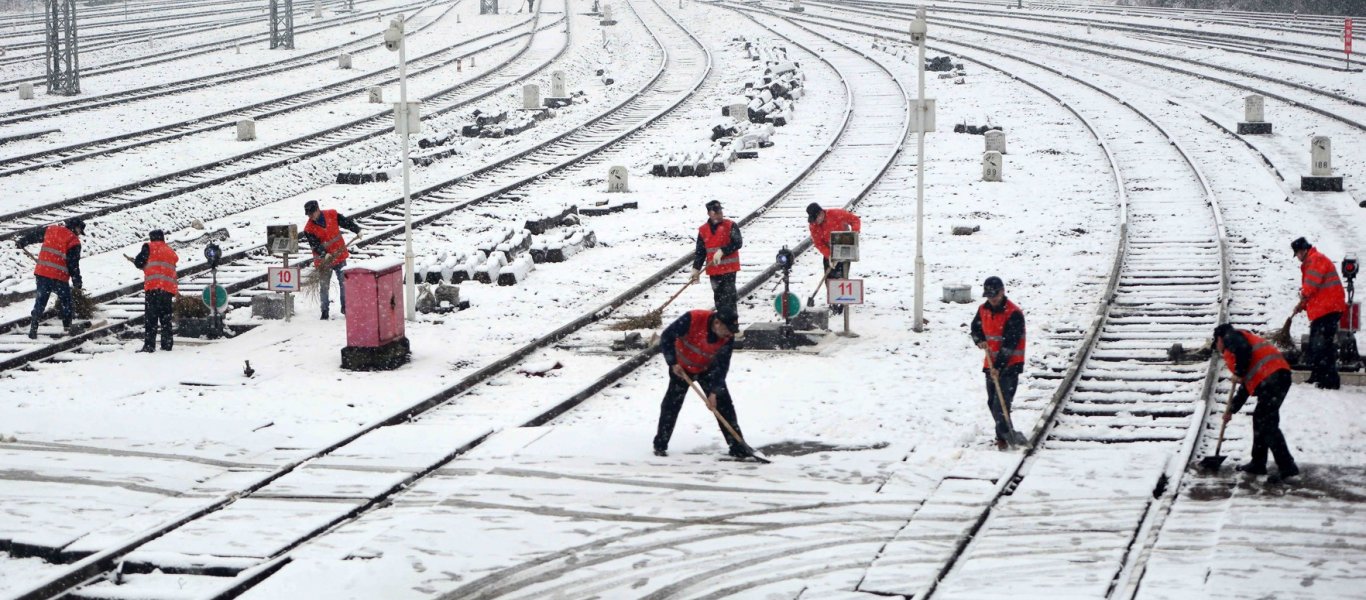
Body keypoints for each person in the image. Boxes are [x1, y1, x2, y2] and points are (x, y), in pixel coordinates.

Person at [653, 308, 745, 458]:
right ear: (717, 323)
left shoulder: (728, 336)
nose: (729, 335)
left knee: (724, 405)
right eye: (727, 330)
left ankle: (738, 447)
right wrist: (672, 362)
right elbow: (666, 337)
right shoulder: (693, 318)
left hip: (707, 369)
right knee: (671, 405)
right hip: (681, 368)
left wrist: (714, 392)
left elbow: (723, 365)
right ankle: (660, 445)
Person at [1214, 324, 1298, 484]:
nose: (1217, 346)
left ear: (1219, 338)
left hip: (1273, 379)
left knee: (1267, 424)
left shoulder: (1232, 338)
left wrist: (1238, 372)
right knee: (1261, 420)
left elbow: (1243, 352)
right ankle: (1258, 463)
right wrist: (1232, 409)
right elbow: (1245, 386)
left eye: (1216, 341)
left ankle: (1288, 467)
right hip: (1274, 379)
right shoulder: (1240, 348)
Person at [969, 276, 1025, 450]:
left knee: (1001, 404)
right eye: (989, 295)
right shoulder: (983, 309)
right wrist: (979, 340)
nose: (992, 299)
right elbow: (975, 328)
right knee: (992, 401)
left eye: (995, 294)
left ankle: (1003, 436)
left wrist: (999, 368)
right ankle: (1005, 433)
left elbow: (1010, 344)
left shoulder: (1013, 313)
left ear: (1002, 291)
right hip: (991, 364)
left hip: (1010, 365)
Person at [1291, 237, 1346, 389]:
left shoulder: (1315, 260)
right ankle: (1317, 375)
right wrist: (1303, 304)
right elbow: (1315, 291)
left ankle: (1331, 380)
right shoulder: (1312, 260)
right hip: (1324, 309)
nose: (1297, 258)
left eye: (1297, 254)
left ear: (1302, 251)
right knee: (1316, 345)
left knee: (1324, 346)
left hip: (1329, 309)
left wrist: (1302, 296)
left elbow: (1310, 286)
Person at [16, 218, 84, 339]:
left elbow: (34, 235)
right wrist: (77, 280)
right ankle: (67, 326)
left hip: (42, 273)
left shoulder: (51, 230)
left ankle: (33, 328)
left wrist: (22, 241)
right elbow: (73, 264)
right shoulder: (73, 241)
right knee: (66, 301)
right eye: (79, 230)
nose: (79, 233)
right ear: (75, 227)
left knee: (40, 301)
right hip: (59, 277)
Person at [301, 200, 361, 320]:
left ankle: (345, 308)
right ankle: (324, 311)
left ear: (318, 209)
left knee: (344, 283)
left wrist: (357, 230)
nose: (311, 217)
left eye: (312, 213)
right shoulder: (308, 229)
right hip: (324, 261)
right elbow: (314, 245)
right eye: (309, 215)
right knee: (324, 286)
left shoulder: (332, 214)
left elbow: (345, 222)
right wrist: (324, 254)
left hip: (339, 255)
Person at [689, 200, 742, 317]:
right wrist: (696, 269)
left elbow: (738, 242)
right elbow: (700, 252)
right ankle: (723, 326)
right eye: (716, 212)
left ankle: (732, 326)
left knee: (729, 298)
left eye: (720, 211)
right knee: (719, 299)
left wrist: (723, 251)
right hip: (714, 270)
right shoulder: (703, 230)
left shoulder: (730, 225)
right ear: (709, 214)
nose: (719, 214)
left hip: (729, 269)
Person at [806, 203, 861, 314]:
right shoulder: (813, 225)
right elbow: (818, 243)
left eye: (816, 219)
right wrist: (829, 255)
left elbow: (855, 220)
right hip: (829, 250)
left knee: (841, 275)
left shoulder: (837, 214)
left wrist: (853, 234)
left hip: (845, 247)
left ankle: (842, 301)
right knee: (829, 277)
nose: (815, 222)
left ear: (821, 213)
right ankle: (833, 302)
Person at [132, 230, 178, 353]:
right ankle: (167, 344)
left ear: (152, 238)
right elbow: (174, 261)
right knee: (165, 318)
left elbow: (138, 262)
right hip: (167, 289)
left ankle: (149, 345)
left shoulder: (149, 247)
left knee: (151, 318)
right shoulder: (169, 250)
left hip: (153, 288)